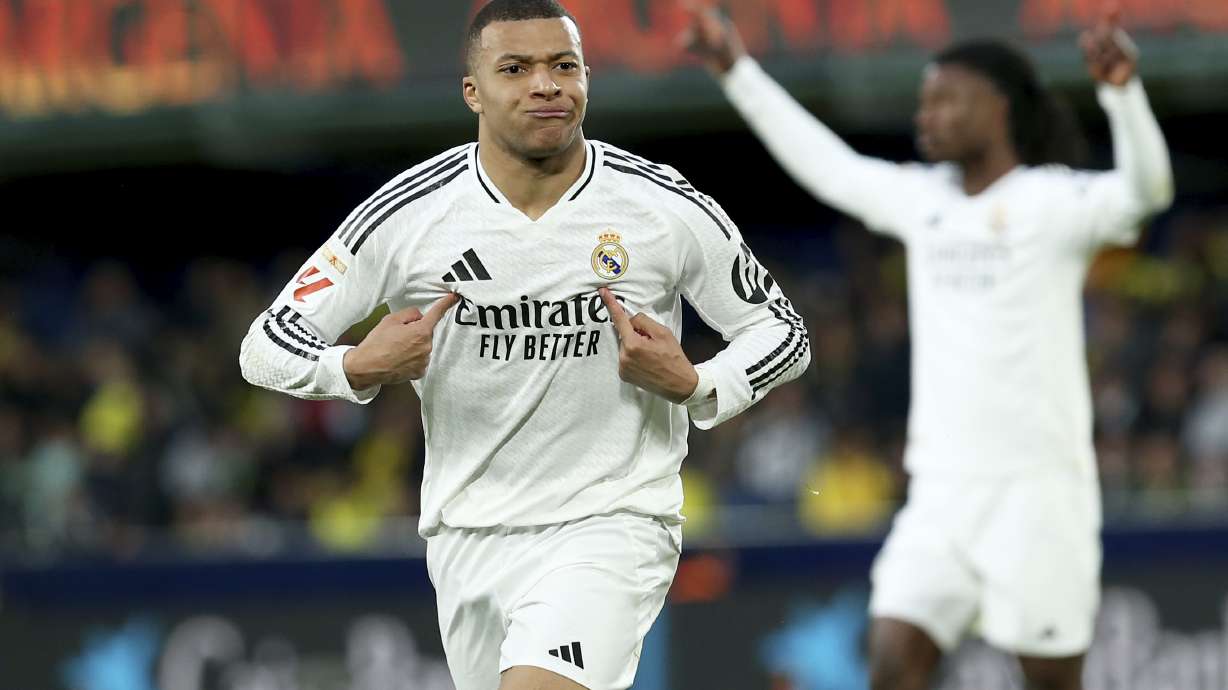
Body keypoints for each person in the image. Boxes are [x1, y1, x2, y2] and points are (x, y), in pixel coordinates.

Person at [239, 1, 810, 688]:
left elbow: (782, 332)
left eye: (563, 66)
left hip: (611, 523)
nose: (545, 84)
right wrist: (354, 366)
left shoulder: (660, 205)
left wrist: (698, 384)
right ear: (472, 91)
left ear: (586, 80)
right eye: (516, 68)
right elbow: (265, 345)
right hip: (468, 538)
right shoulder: (410, 215)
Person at [684, 5, 1172, 690]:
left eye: (946, 100)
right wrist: (737, 71)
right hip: (940, 492)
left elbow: (1146, 193)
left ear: (998, 107)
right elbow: (831, 168)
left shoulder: (1051, 201)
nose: (928, 115)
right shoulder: (923, 201)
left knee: (1052, 681)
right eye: (924, 101)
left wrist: (1123, 95)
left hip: (1039, 493)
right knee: (892, 661)